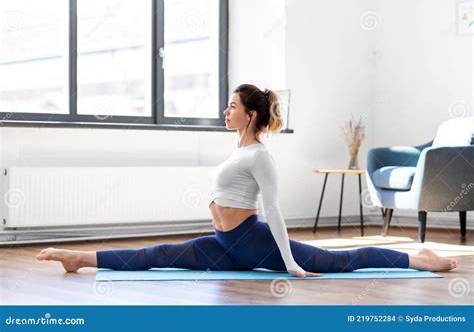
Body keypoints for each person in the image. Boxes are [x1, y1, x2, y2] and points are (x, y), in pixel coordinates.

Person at [37, 84, 459, 277]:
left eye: (232, 106)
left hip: (249, 240)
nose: (226, 111)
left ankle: (419, 259)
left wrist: (290, 262)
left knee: (339, 263)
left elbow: (272, 209)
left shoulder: (260, 156)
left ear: (250, 115)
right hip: (226, 244)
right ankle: (80, 258)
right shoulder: (239, 150)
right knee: (158, 252)